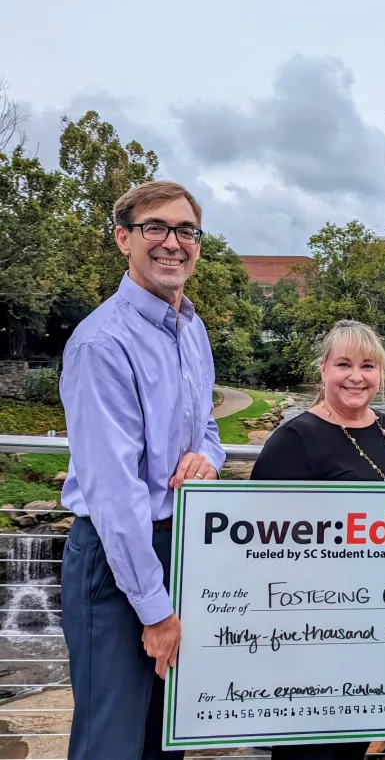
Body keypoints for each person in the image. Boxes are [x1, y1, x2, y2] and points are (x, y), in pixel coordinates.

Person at [59, 181, 224, 760]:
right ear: (124, 238)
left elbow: (207, 428)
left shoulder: (193, 328)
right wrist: (156, 611)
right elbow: (114, 496)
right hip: (115, 561)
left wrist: (209, 459)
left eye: (186, 230)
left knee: (166, 741)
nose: (173, 243)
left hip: (179, 550)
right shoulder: (101, 344)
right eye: (156, 228)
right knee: (112, 743)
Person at [250, 319, 385, 760]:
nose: (356, 376)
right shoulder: (293, 439)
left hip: (379, 626)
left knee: (350, 747)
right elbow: (257, 541)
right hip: (311, 635)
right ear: (324, 368)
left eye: (368, 365)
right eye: (344, 364)